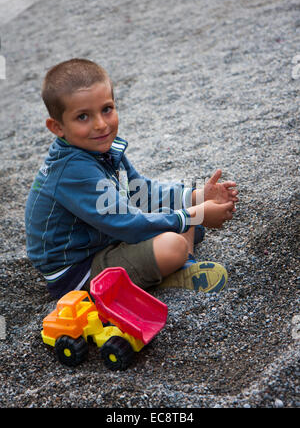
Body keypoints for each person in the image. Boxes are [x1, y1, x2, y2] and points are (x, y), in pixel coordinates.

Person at [25, 58, 239, 299]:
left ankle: (180, 264)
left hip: (106, 239)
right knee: (175, 242)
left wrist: (196, 196)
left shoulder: (101, 149)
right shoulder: (72, 171)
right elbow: (129, 224)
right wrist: (195, 213)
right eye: (83, 117)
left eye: (106, 109)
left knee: (186, 216)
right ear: (57, 127)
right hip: (77, 272)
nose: (100, 124)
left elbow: (141, 192)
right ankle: (177, 268)